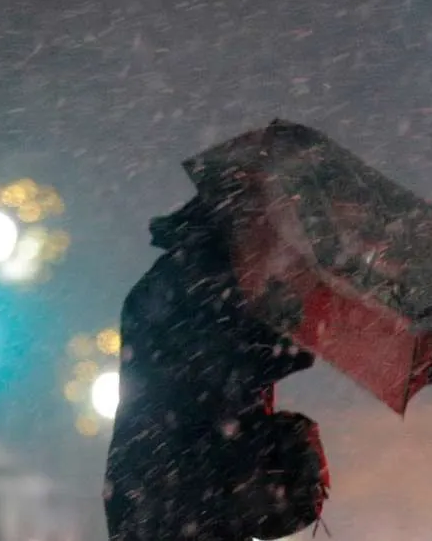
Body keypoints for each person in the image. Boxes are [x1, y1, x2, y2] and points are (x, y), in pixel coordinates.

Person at [104, 197, 329, 541]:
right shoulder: (206, 284)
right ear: (239, 230)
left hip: (163, 487)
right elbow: (221, 373)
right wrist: (293, 324)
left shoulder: (181, 279)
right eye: (265, 232)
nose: (273, 246)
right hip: (187, 488)